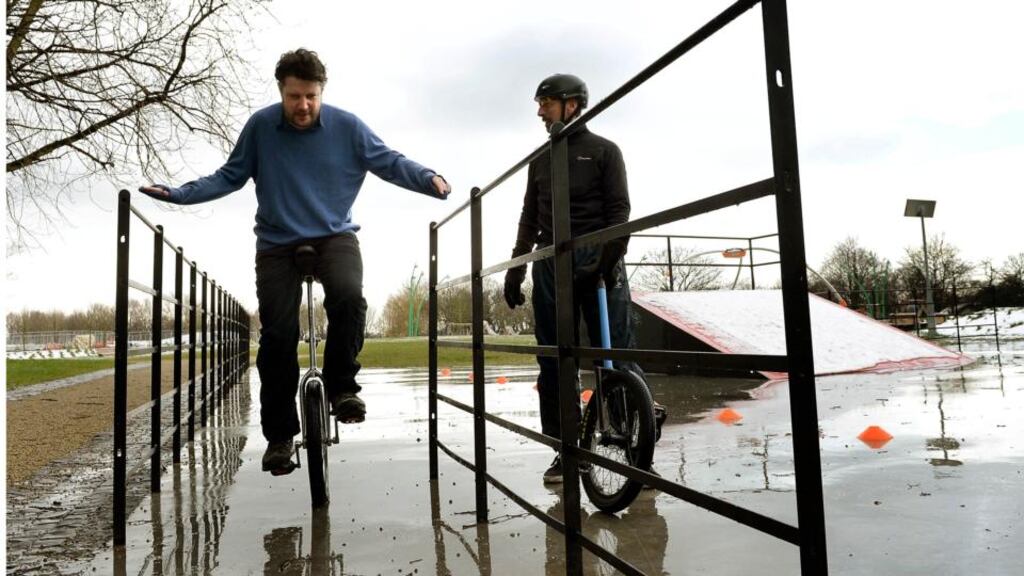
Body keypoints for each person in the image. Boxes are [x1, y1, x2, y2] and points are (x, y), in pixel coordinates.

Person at [140, 48, 450, 474]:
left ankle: (343, 388)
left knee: (348, 297)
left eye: (310, 96)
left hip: (334, 235)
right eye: (293, 97)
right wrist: (178, 194)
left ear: (321, 92)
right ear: (281, 92)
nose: (302, 106)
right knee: (278, 337)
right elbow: (229, 175)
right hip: (277, 243)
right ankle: (281, 437)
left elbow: (388, 161)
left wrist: (428, 178)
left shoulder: (347, 127)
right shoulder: (261, 127)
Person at [503, 73, 663, 484]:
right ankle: (566, 449)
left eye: (546, 103)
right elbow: (528, 217)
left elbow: (619, 212)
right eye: (538, 104)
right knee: (554, 359)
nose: (539, 111)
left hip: (599, 257)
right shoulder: (540, 159)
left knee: (616, 354)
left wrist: (607, 262)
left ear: (571, 105)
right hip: (551, 262)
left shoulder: (605, 151)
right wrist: (516, 268)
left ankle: (634, 446)